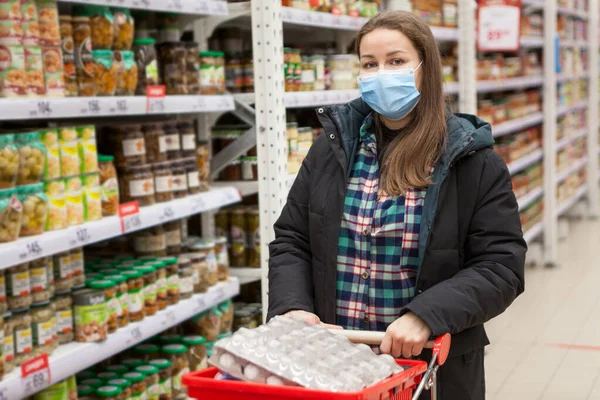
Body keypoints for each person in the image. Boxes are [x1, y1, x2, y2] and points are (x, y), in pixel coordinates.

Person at [267, 10, 525, 400]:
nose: (381, 74)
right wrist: (292, 308)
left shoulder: (472, 160)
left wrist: (427, 315)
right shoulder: (330, 150)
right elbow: (292, 239)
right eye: (369, 64)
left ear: (426, 69)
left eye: (397, 61)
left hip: (428, 369)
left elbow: (501, 266)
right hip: (336, 364)